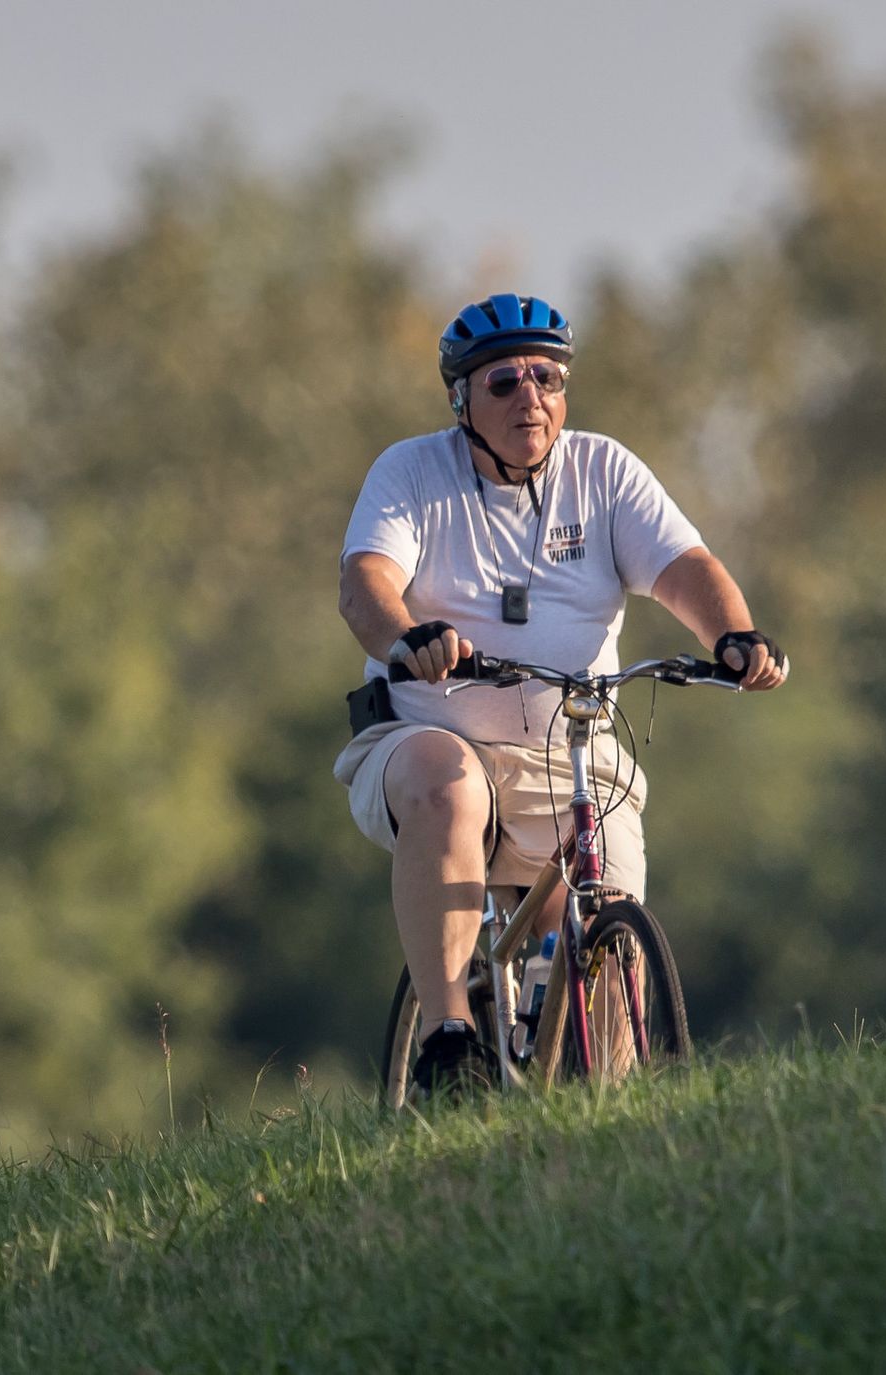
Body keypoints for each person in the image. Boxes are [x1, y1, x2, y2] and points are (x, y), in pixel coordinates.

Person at [334, 293, 785, 1097]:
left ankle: (604, 1131)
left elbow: (684, 567)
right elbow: (367, 582)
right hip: (431, 738)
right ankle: (448, 1037)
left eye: (547, 375)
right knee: (448, 784)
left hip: (570, 748)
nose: (529, 396)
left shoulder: (603, 470)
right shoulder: (410, 473)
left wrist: (734, 636)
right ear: (461, 398)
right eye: (503, 381)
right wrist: (406, 638)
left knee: (608, 944)